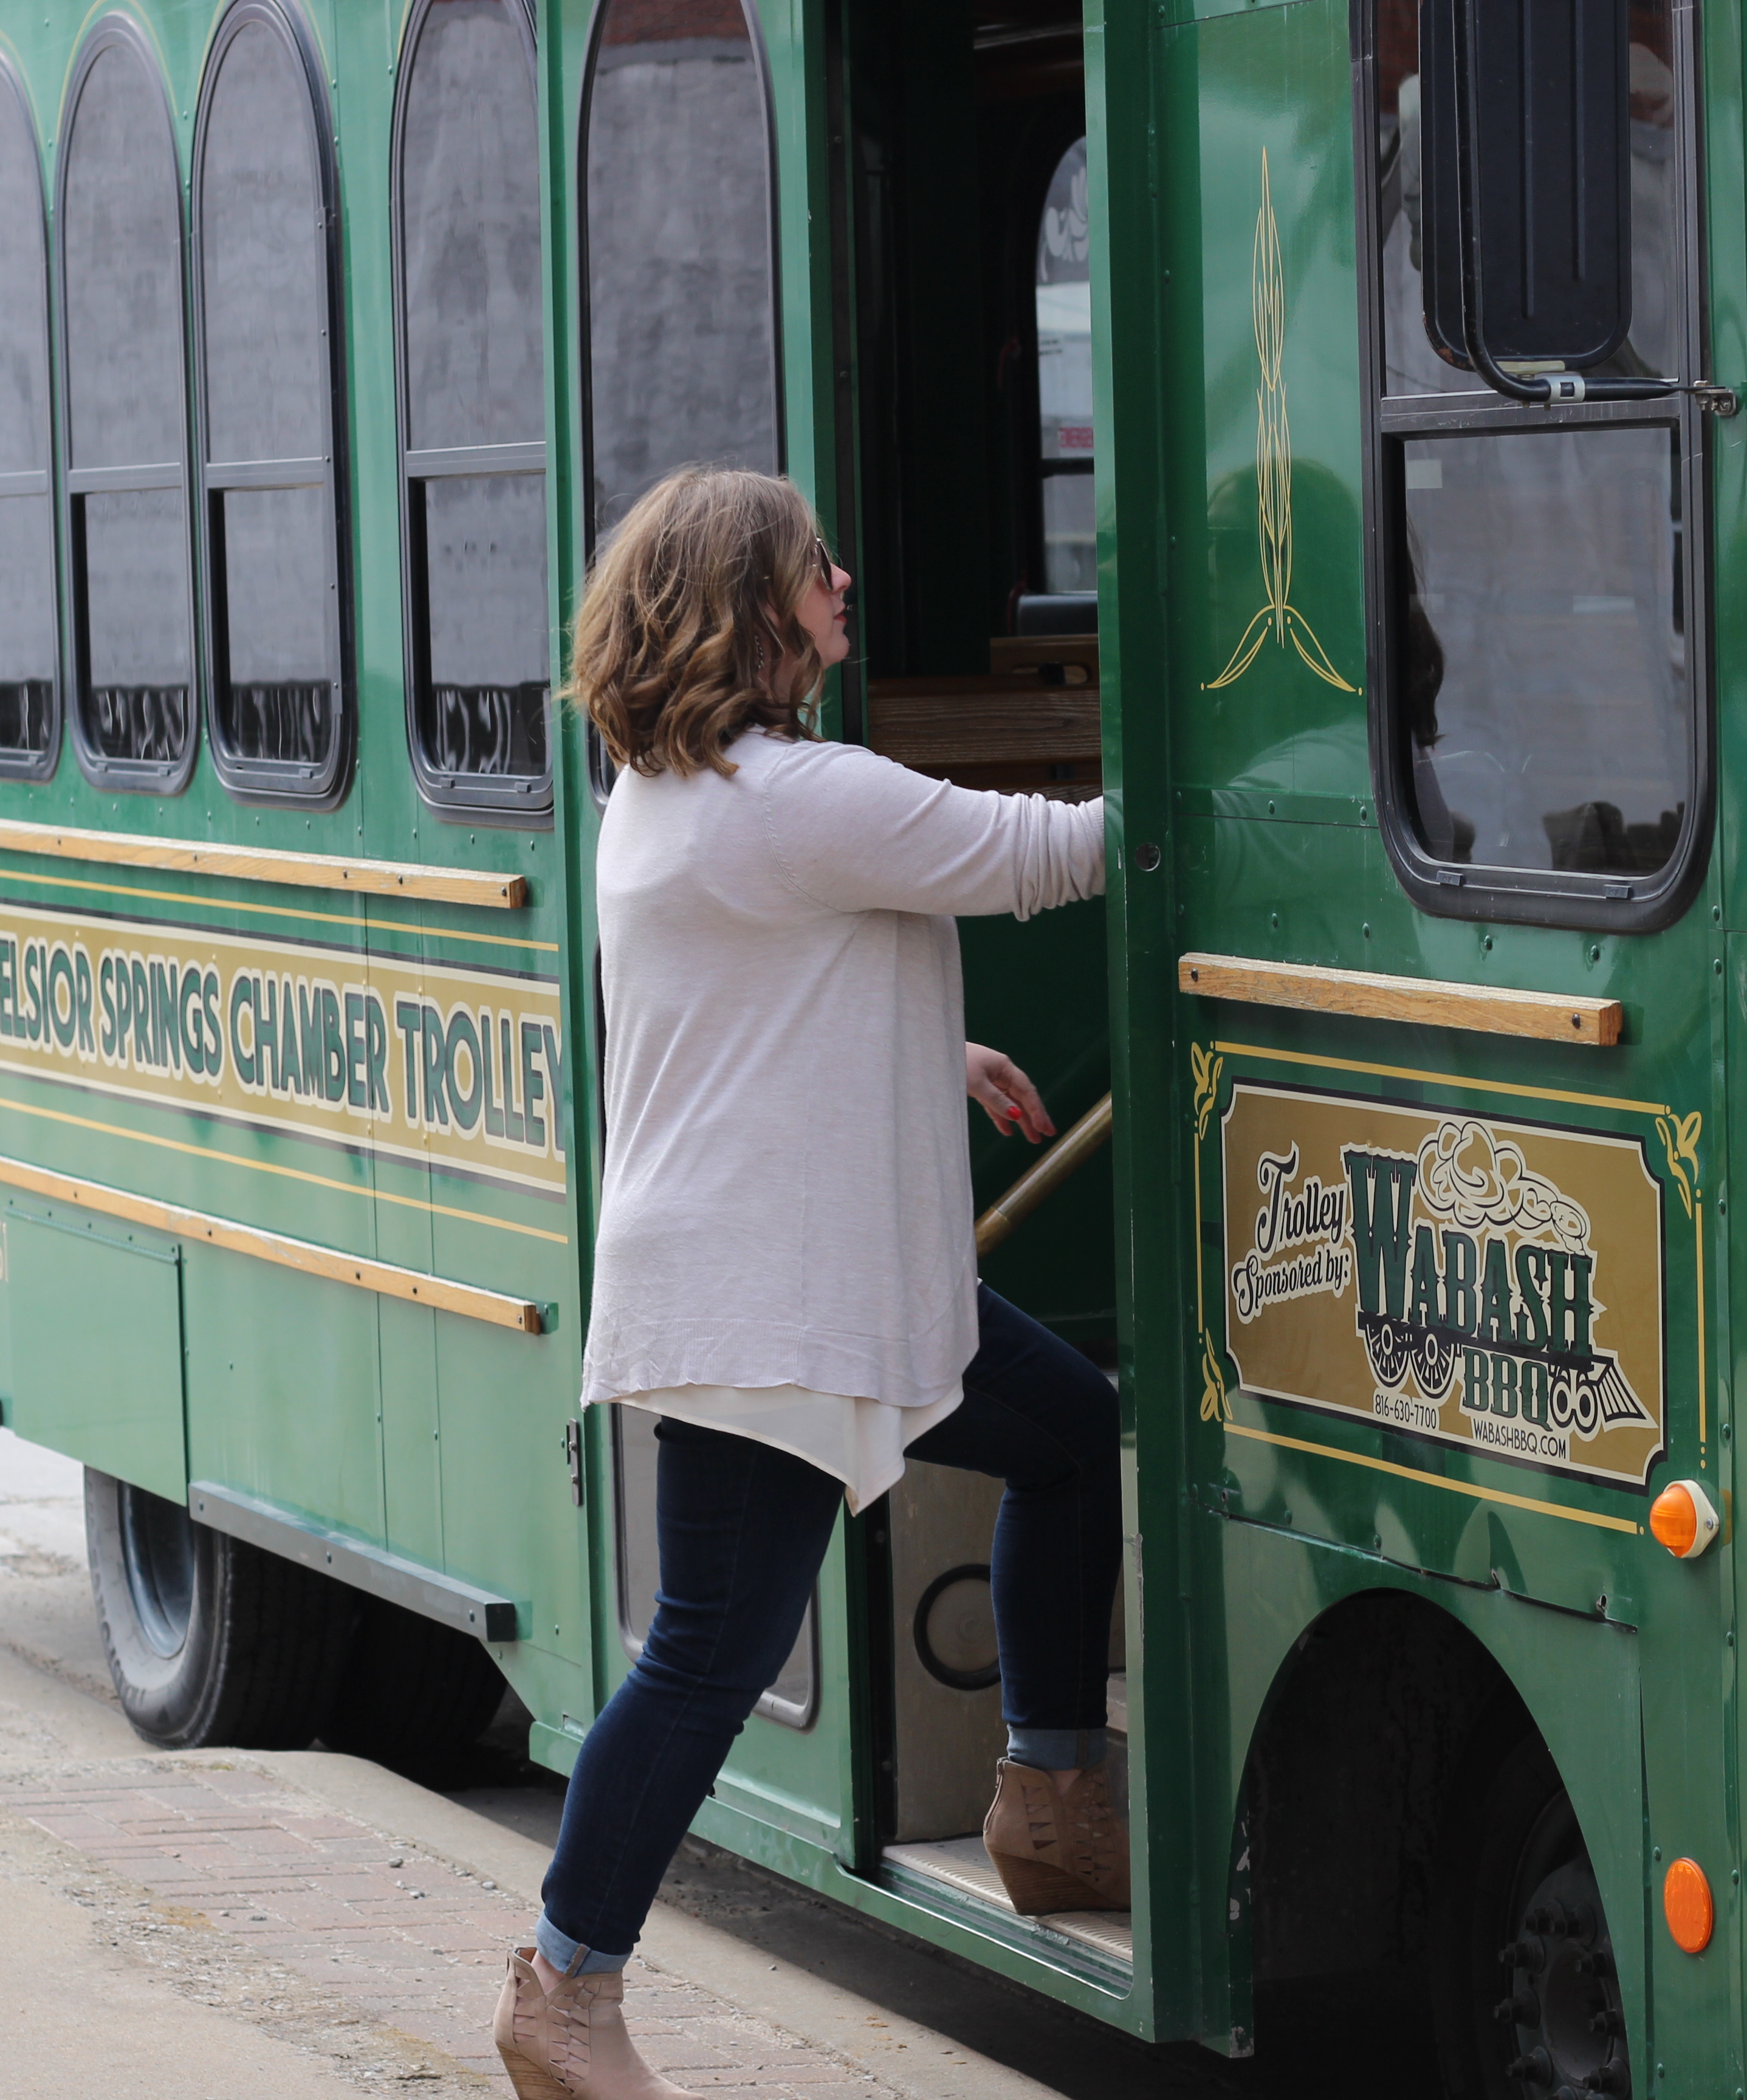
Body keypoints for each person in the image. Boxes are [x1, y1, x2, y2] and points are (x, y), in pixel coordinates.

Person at [492, 468, 1118, 2100]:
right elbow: (1065, 852)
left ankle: (1051, 1801)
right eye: (815, 565)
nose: (846, 580)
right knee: (709, 1651)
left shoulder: (670, 792)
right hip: (777, 1303)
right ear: (757, 606)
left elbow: (750, 992)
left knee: (1065, 1429)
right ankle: (564, 1989)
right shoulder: (797, 794)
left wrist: (937, 1047)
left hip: (794, 1285)